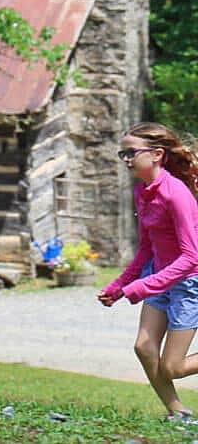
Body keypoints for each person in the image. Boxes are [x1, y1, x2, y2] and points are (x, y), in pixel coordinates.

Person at [98, 122, 198, 420]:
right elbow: (145, 248)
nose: (126, 159)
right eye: (123, 153)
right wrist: (119, 286)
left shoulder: (175, 194)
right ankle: (178, 413)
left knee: (173, 367)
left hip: (189, 281)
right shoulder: (142, 191)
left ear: (156, 154)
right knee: (143, 346)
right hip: (162, 275)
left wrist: (142, 287)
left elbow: (192, 256)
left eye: (131, 152)